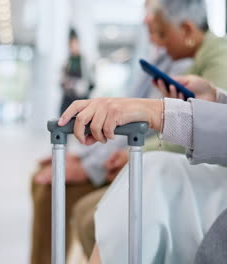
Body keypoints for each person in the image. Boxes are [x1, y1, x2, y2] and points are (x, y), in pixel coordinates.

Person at [60, 0, 227, 263]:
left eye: (160, 33)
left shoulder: (224, 55)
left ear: (187, 30)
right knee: (145, 181)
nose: (155, 43)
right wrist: (216, 101)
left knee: (144, 185)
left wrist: (159, 113)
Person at [29, 25, 191, 264]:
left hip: (128, 163)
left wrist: (90, 167)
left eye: (156, 22)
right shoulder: (156, 63)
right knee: (40, 180)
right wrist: (83, 157)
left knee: (50, 192)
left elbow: (144, 128)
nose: (148, 22)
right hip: (113, 154)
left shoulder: (184, 71)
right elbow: (119, 115)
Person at [59, 29, 95, 115]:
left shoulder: (86, 62)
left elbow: (92, 82)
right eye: (71, 44)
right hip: (68, 98)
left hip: (82, 98)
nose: (73, 46)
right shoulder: (66, 62)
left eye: (75, 43)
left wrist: (83, 88)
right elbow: (61, 81)